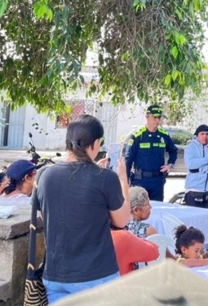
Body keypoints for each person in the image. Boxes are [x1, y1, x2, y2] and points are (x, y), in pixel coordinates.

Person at [35, 115, 130, 303]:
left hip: (55, 275)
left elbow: (45, 215)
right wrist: (122, 180)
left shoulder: (44, 175)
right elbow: (122, 220)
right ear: (96, 143)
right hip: (96, 275)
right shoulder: (106, 177)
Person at [125, 105, 178, 201]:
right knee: (139, 208)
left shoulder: (163, 135)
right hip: (141, 180)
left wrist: (170, 164)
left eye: (159, 118)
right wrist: (126, 181)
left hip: (157, 181)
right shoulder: (138, 136)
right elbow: (128, 159)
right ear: (147, 116)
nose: (157, 120)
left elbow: (173, 151)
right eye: (155, 117)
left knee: (157, 208)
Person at [183, 124, 208, 209]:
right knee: (193, 217)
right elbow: (190, 164)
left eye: (207, 134)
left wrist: (204, 169)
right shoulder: (190, 148)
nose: (205, 136)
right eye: (202, 134)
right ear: (197, 135)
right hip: (193, 189)